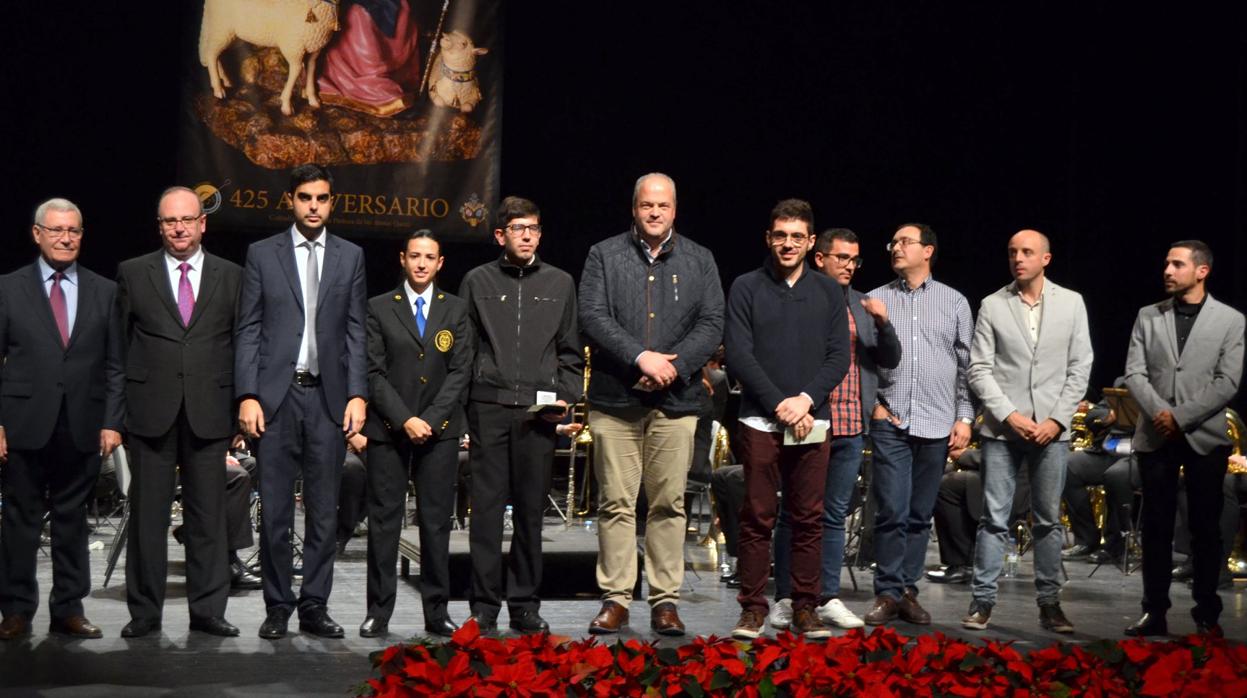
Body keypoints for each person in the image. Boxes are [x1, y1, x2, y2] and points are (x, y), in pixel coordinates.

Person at [578, 173, 724, 636]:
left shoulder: (700, 259)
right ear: (634, 209)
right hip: (615, 400)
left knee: (668, 504)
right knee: (616, 504)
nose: (654, 212)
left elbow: (712, 323)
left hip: (676, 402)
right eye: (646, 205)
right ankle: (617, 599)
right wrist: (641, 356)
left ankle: (664, 601)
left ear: (675, 210)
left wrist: (672, 369)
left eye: (662, 205)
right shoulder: (604, 254)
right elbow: (592, 316)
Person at [235, 164, 368, 640]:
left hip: (328, 398)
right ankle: (277, 605)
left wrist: (357, 393)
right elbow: (248, 328)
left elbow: (356, 329)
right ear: (290, 200)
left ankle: (314, 604)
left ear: (333, 202)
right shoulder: (262, 254)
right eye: (306, 197)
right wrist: (247, 394)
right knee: (274, 509)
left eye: (323, 198)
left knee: (324, 509)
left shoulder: (350, 256)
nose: (314, 205)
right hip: (276, 397)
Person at [112, 186, 243, 638]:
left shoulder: (231, 276)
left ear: (203, 222)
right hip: (151, 411)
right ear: (160, 226)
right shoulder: (133, 273)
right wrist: (115, 416)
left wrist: (243, 404)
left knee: (208, 517)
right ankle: (145, 613)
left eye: (187, 219)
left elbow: (241, 345)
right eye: (170, 221)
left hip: (210, 411)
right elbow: (118, 347)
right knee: (148, 518)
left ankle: (208, 610)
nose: (180, 227)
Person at [724, 199, 849, 640]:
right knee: (757, 517)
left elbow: (839, 356)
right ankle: (752, 608)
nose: (788, 243)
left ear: (811, 242)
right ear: (768, 238)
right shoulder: (745, 287)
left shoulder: (830, 291)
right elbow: (739, 354)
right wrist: (782, 403)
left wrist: (806, 399)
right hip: (761, 420)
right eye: (781, 235)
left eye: (797, 236)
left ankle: (805, 607)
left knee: (808, 518)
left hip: (812, 421)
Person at [0, 198, 123, 640]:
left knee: (74, 520)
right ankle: (15, 610)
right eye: (56, 230)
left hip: (83, 422)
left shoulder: (105, 291)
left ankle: (68, 608)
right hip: (23, 422)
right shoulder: (8, 288)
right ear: (37, 234)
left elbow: (115, 364)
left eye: (73, 230)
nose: (65, 237)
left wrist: (112, 421)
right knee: (21, 519)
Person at [460, 197, 582, 634]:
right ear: (500, 235)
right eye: (518, 228)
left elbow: (570, 352)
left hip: (538, 414)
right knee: (487, 513)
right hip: (489, 408)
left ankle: (525, 604)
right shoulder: (476, 281)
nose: (527, 235)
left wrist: (564, 398)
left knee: (531, 513)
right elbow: (464, 349)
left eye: (533, 228)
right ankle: (484, 607)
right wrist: (465, 410)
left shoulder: (561, 282)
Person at [770, 228, 901, 631]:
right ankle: (786, 598)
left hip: (850, 424)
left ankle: (826, 596)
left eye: (855, 259)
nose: (849, 266)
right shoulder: (802, 296)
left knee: (834, 515)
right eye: (842, 257)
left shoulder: (863, 304)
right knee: (794, 512)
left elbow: (889, 360)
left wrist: (884, 323)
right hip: (812, 419)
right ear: (820, 257)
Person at [963, 229, 1092, 633]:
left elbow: (1079, 366)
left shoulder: (1071, 303)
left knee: (1049, 520)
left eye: (1027, 252)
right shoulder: (993, 304)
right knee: (994, 518)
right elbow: (979, 368)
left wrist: (1056, 419)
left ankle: (1050, 604)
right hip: (1004, 430)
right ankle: (982, 602)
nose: (1018, 258)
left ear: (1045, 259)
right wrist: (1010, 415)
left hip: (1052, 431)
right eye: (1012, 252)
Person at [1122, 240, 1244, 638]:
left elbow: (1227, 382)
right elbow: (1135, 373)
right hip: (1157, 437)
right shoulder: (1148, 315)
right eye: (1166, 264)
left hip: (1203, 436)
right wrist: (1161, 415)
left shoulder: (1230, 320)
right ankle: (1153, 610)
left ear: (1202, 271)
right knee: (1155, 527)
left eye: (1177, 264)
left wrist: (1179, 416)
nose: (1168, 271)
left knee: (1205, 529)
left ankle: (1207, 612)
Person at [359, 231, 471, 638]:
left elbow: (461, 371)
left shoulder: (456, 310)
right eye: (415, 256)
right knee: (385, 521)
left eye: (430, 258)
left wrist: (433, 419)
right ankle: (378, 611)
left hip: (439, 433)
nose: (422, 264)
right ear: (402, 259)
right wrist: (405, 418)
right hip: (389, 430)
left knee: (436, 522)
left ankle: (437, 612)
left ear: (440, 263)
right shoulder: (378, 308)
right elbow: (373, 371)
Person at [862, 223, 974, 626]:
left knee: (919, 513)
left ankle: (907, 590)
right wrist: (874, 405)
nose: (895, 248)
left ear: (928, 251)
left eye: (904, 242)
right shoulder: (874, 298)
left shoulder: (954, 302)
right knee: (891, 508)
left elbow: (967, 367)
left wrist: (964, 417)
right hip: (890, 418)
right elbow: (863, 365)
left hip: (937, 421)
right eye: (892, 242)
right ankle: (887, 591)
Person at [1061, 386, 1138, 565]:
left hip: (1139, 455)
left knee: (1116, 475)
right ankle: (1086, 539)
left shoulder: (1163, 387)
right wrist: (1107, 417)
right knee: (1068, 466)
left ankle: (1115, 546)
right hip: (1109, 452)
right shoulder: (1124, 384)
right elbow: (1092, 414)